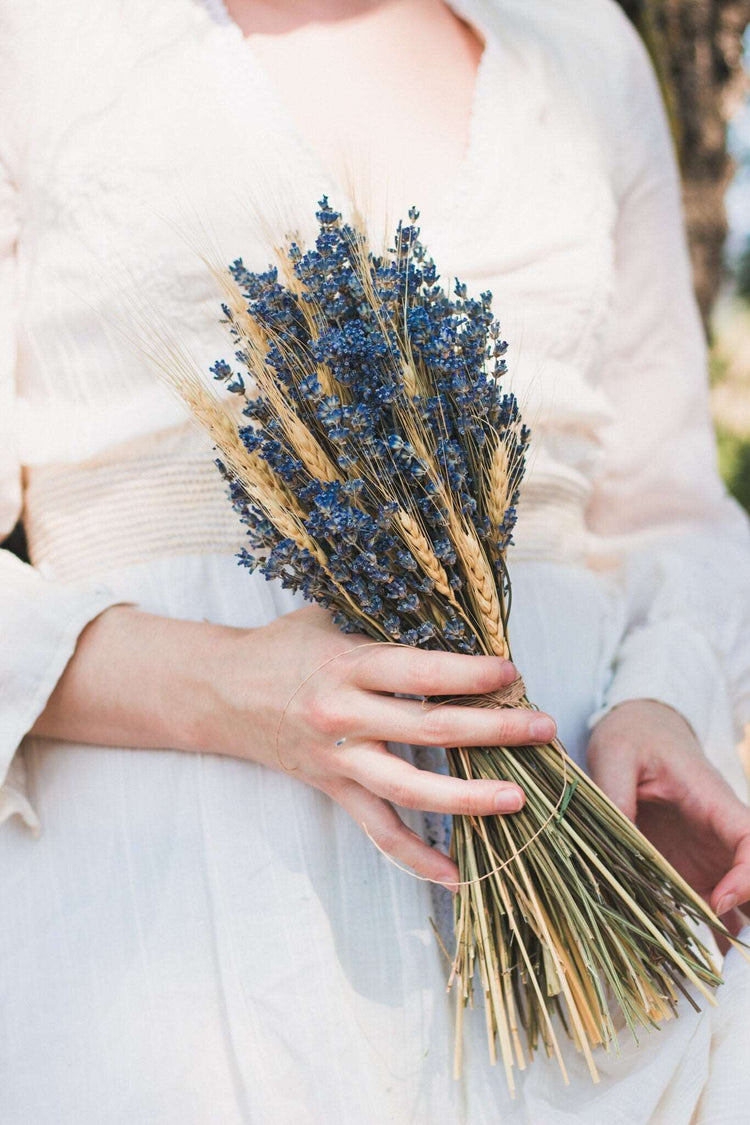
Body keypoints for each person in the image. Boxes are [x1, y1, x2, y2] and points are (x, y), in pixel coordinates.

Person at [1, 0, 749, 1120]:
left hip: (581, 956)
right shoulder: (39, 39)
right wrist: (225, 689)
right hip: (170, 956)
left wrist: (662, 697)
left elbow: (669, 512)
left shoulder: (584, 47)